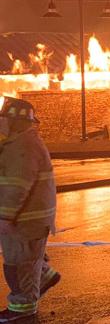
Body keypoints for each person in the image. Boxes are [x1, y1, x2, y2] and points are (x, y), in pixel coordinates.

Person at [0, 97, 60, 322]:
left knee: (19, 267)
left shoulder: (23, 146)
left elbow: (15, 186)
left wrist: (4, 217)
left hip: (26, 221)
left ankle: (22, 308)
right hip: (25, 220)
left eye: (4, 119)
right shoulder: (16, 143)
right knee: (25, 261)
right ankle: (44, 276)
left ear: (15, 121)